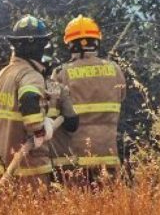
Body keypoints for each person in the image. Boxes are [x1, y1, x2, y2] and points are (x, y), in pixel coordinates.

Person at [0, 15, 79, 190]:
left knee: (2, 205)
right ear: (37, 47)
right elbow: (29, 100)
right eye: (44, 45)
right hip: (27, 167)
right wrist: (40, 129)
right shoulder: (30, 75)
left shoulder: (4, 74)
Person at [50, 15, 126, 187]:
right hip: (108, 156)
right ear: (96, 42)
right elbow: (121, 97)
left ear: (70, 45)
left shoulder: (61, 73)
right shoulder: (115, 70)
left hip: (75, 159)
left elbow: (51, 111)